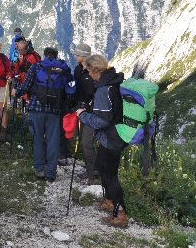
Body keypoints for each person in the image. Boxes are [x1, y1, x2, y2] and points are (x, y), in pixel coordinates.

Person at [76, 54, 127, 227]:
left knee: (111, 175)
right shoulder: (113, 82)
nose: (89, 74)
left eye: (90, 71)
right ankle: (109, 201)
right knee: (103, 169)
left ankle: (120, 214)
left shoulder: (104, 89)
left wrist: (83, 116)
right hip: (115, 135)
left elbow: (102, 120)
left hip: (111, 138)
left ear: (96, 70)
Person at [13, 47, 73, 182]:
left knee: (38, 139)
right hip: (55, 111)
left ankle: (39, 170)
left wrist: (16, 92)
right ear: (56, 56)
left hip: (36, 108)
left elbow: (26, 86)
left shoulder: (36, 66)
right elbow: (69, 89)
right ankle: (51, 173)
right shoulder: (63, 69)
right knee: (53, 141)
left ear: (44, 55)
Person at [72, 43, 97, 181]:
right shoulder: (77, 69)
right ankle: (91, 170)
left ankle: (93, 173)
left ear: (84, 55)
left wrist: (88, 106)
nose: (74, 55)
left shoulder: (93, 70)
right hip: (80, 109)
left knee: (87, 142)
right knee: (83, 141)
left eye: (77, 54)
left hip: (91, 111)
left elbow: (96, 92)